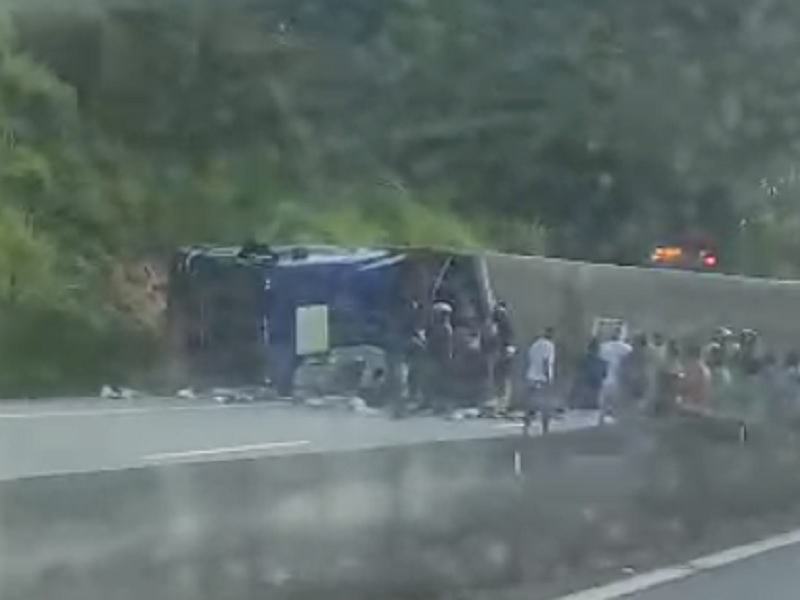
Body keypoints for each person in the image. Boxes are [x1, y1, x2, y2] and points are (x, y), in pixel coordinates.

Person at [524, 326, 556, 434]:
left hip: (531, 377)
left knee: (531, 404)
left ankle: (526, 427)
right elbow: (546, 362)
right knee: (545, 405)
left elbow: (530, 360)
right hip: (542, 379)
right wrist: (548, 378)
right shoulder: (549, 346)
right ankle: (545, 429)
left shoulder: (534, 344)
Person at [598, 325, 633, 424]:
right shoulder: (627, 349)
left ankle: (601, 421)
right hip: (619, 380)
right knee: (616, 406)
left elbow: (600, 362)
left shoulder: (603, 347)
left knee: (604, 405)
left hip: (605, 379)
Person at [426, 302, 455, 413]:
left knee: (441, 382)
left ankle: (442, 405)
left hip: (441, 359)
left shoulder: (444, 328)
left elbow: (446, 347)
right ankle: (437, 404)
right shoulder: (439, 328)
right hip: (437, 358)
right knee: (436, 382)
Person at [491, 302, 516, 415]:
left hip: (501, 353)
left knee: (501, 379)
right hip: (503, 353)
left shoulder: (498, 323)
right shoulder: (503, 323)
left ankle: (501, 405)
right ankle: (502, 405)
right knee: (503, 379)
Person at [569, 338, 606, 410]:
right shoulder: (602, 362)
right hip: (595, 394)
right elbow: (604, 375)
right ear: (598, 350)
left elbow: (577, 375)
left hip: (583, 393)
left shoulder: (582, 360)